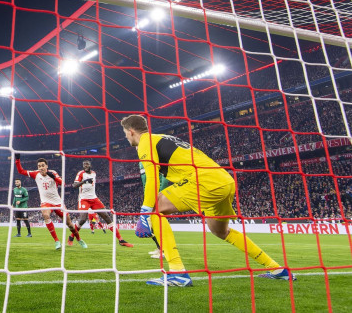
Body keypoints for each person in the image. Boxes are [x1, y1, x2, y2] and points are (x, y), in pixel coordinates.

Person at [121, 114, 295, 286]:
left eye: (124, 133)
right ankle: (277, 269)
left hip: (204, 181)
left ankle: (177, 272)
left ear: (131, 131)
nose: (125, 137)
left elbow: (152, 179)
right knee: (220, 231)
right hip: (224, 180)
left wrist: (144, 212)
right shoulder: (163, 138)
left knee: (154, 209)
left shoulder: (144, 142)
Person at [14, 154, 86, 250]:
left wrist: (53, 177)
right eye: (39, 166)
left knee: (70, 225)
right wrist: (17, 159)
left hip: (58, 202)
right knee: (45, 215)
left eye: (43, 165)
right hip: (46, 202)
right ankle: (57, 241)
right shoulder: (35, 174)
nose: (41, 168)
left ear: (47, 166)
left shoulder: (53, 172)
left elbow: (62, 183)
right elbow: (20, 171)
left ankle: (79, 239)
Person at [68, 160, 133, 248]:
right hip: (84, 199)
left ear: (90, 165)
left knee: (106, 216)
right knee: (83, 219)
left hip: (94, 198)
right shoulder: (81, 173)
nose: (85, 166)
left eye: (87, 164)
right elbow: (74, 185)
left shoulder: (94, 173)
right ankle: (71, 237)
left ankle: (121, 240)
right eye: (84, 164)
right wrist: (84, 181)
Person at [140, 161, 169, 259]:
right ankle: (159, 248)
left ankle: (164, 250)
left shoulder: (153, 157)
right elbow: (145, 182)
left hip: (157, 196)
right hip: (149, 197)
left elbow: (164, 177)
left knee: (157, 223)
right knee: (150, 224)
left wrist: (159, 194)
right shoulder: (141, 161)